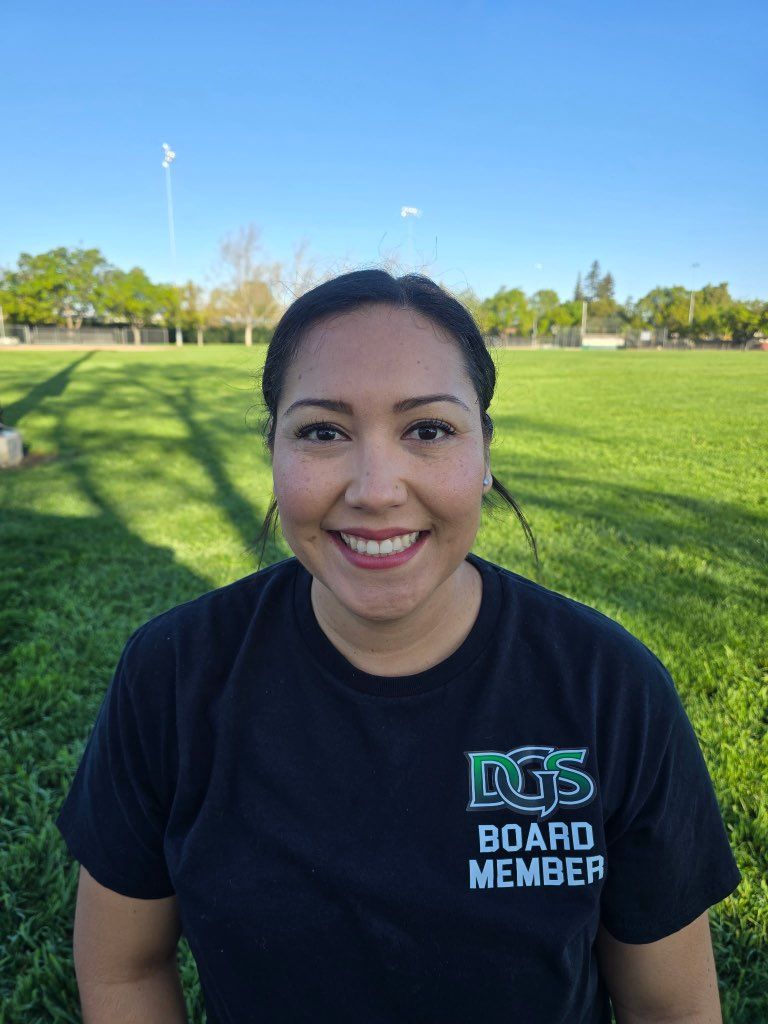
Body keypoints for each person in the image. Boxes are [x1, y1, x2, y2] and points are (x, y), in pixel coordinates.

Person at [57, 269, 740, 1023]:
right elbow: (124, 969)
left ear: (483, 452)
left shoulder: (611, 688)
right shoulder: (173, 675)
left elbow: (670, 1009)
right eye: (322, 432)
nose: (377, 489)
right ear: (273, 451)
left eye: (428, 429)